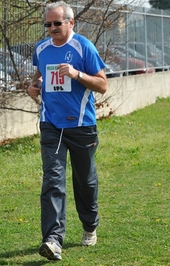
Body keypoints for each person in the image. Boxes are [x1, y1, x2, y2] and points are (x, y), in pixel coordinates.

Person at [27, 1, 108, 261]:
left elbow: (102, 85)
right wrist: (34, 85)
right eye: (47, 24)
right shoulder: (41, 49)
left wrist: (76, 74)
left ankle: (90, 225)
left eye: (56, 23)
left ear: (71, 23)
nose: (51, 28)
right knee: (52, 180)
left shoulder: (83, 47)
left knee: (85, 181)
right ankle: (53, 240)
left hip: (82, 125)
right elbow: (40, 75)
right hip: (51, 125)